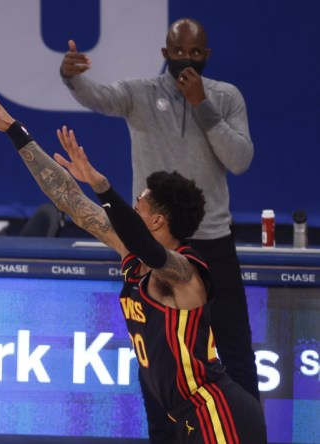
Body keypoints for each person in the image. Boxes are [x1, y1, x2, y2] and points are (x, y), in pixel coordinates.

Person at [0, 75, 266, 444]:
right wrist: (15, 131)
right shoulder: (132, 255)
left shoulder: (184, 273)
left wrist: (102, 186)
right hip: (188, 416)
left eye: (138, 203)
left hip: (217, 412)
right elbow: (69, 200)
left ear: (157, 220)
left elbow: (153, 252)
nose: (131, 206)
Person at [59, 18, 260, 442]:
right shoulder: (141, 94)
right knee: (157, 362)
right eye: (178, 51)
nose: (185, 59)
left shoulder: (225, 98)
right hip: (154, 244)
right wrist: (71, 78)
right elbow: (98, 97)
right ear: (164, 53)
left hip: (212, 245)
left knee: (237, 356)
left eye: (194, 53)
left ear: (206, 56)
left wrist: (202, 105)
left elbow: (239, 159)